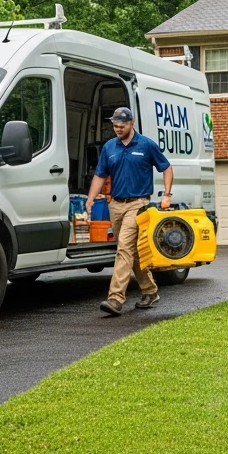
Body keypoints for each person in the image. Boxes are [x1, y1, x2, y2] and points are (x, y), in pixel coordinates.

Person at [87, 106, 173, 315]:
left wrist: (167, 194)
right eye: (115, 126)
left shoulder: (146, 145)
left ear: (132, 123)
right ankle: (150, 291)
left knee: (124, 248)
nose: (117, 129)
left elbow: (166, 168)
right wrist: (90, 199)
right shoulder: (109, 147)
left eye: (121, 126)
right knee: (131, 252)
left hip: (138, 204)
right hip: (115, 204)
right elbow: (100, 175)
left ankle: (115, 299)